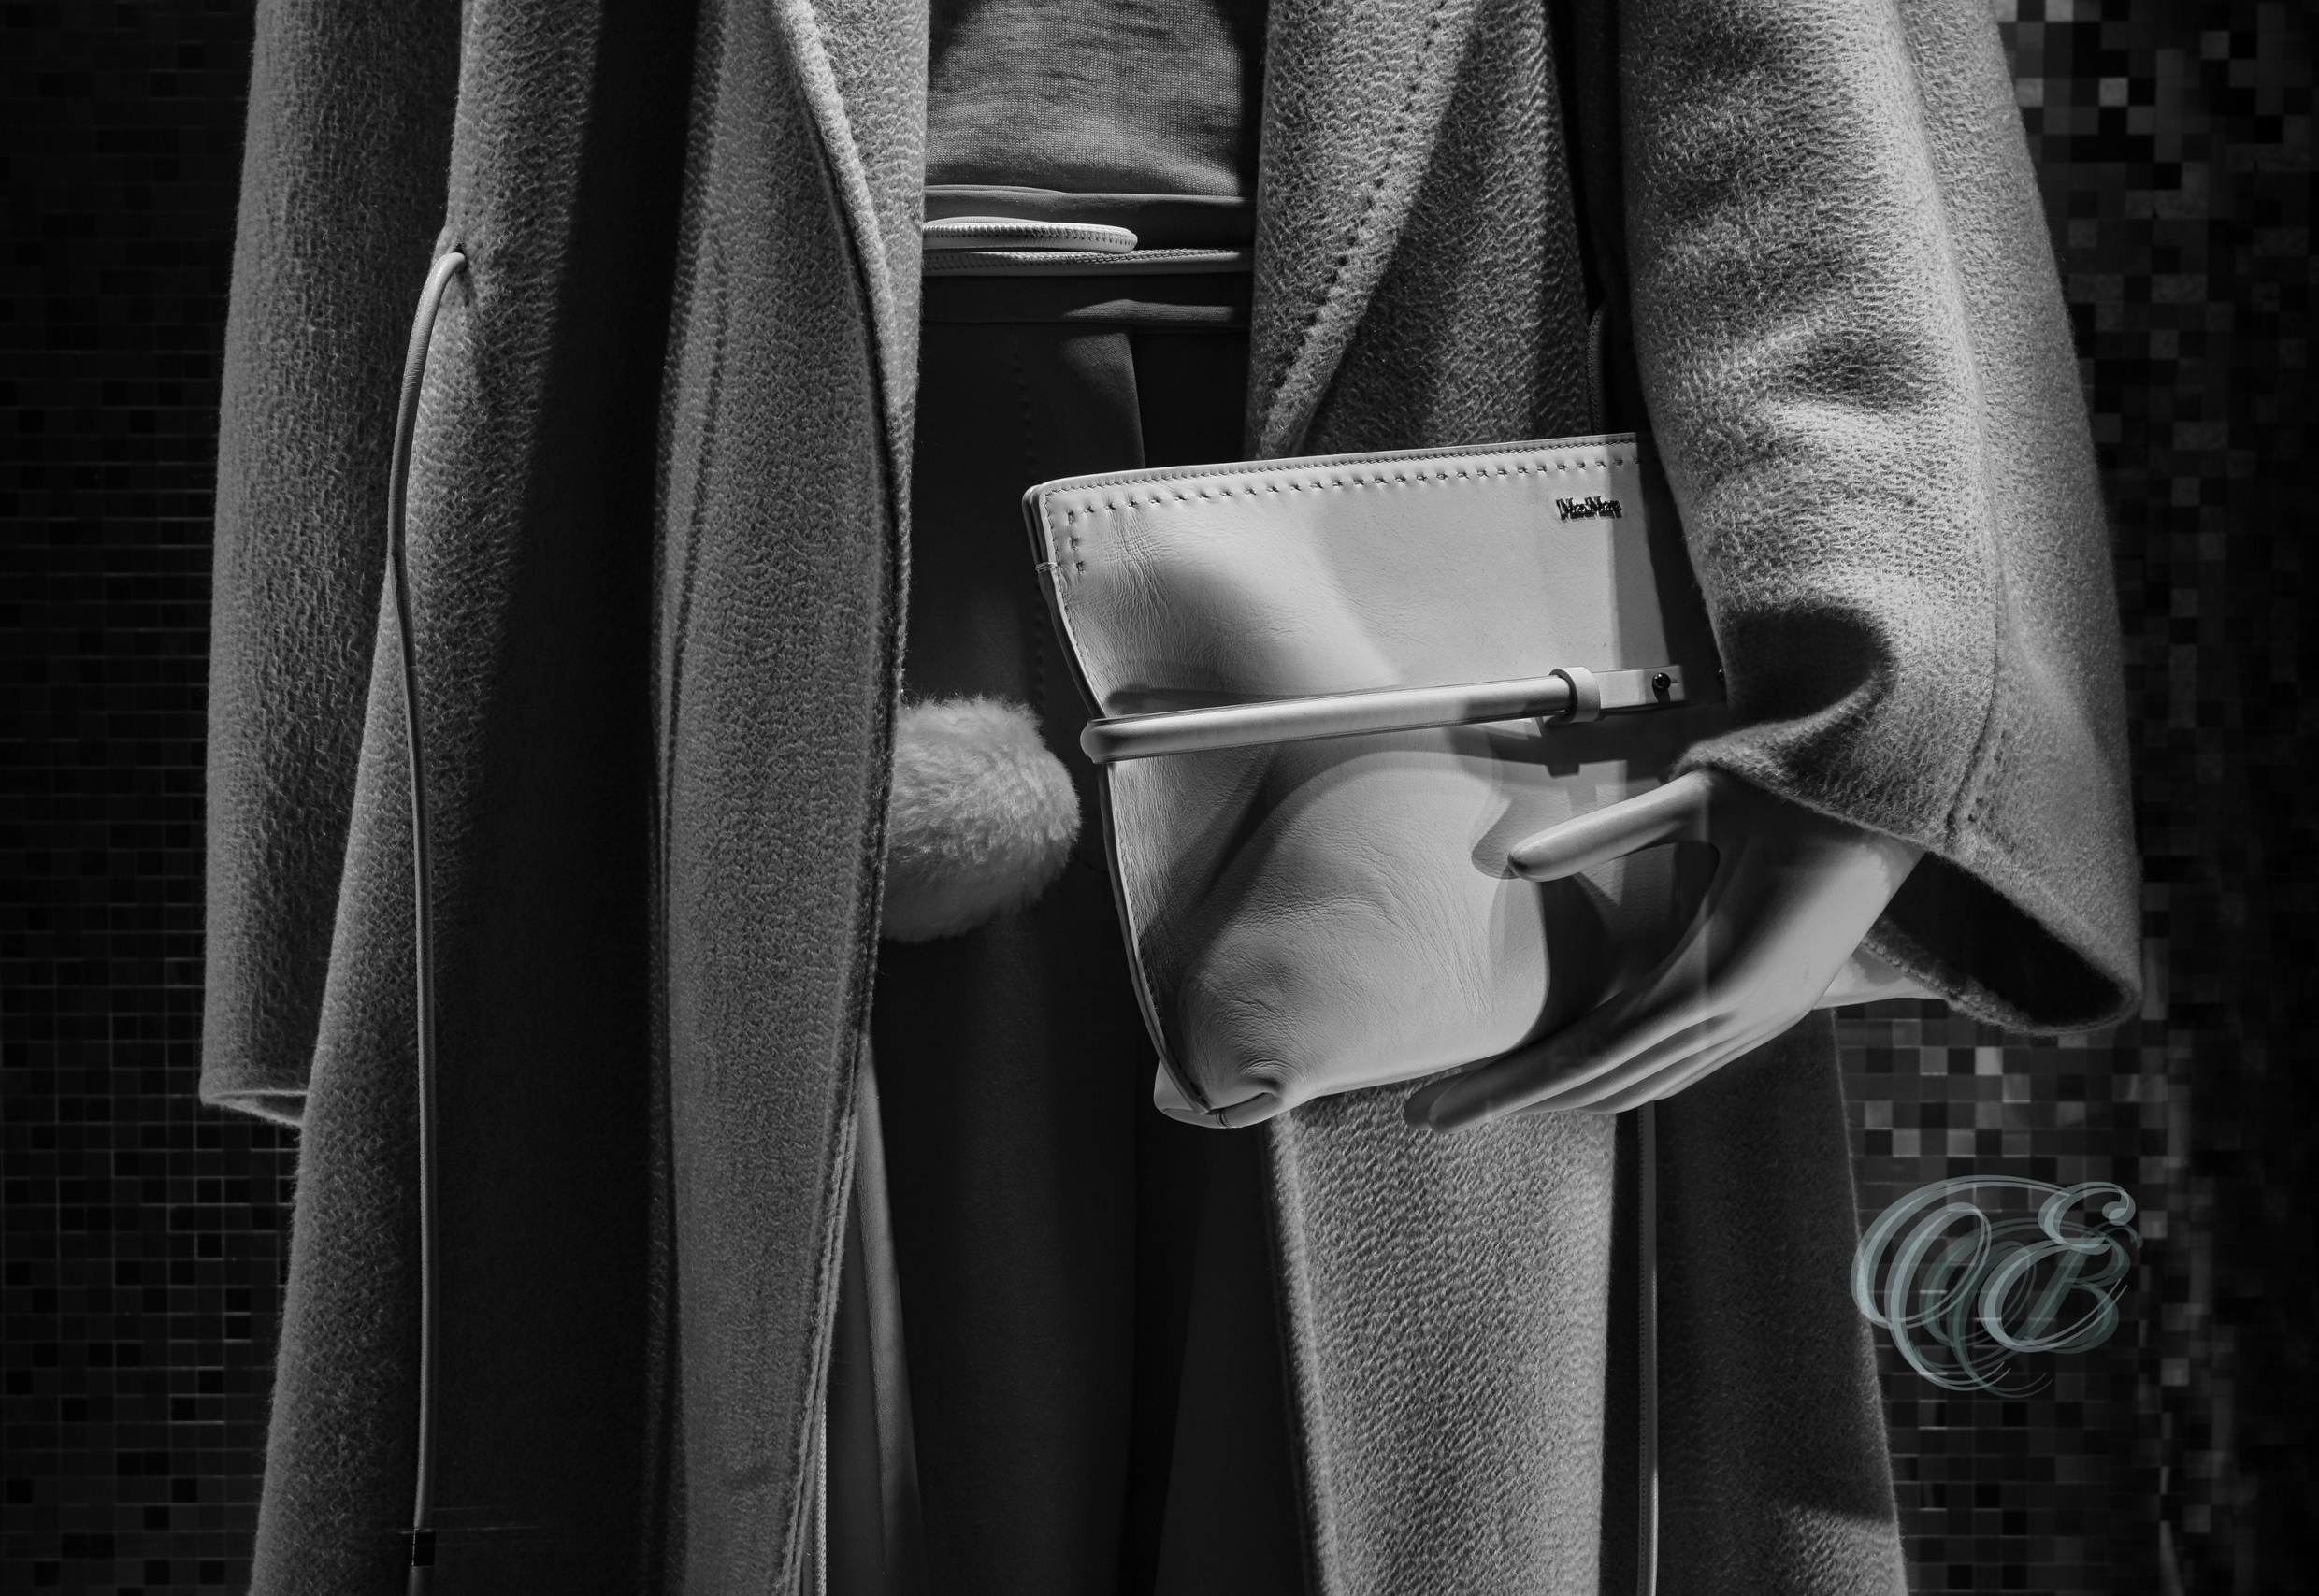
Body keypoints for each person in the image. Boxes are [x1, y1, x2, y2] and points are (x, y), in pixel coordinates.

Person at [199, 0, 2139, 1589]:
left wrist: (1870, 685)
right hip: (718, 454)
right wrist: (338, 885)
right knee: (835, 1448)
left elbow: (1779, 69)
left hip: (1437, 485)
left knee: (1396, 1450)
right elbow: (379, 126)